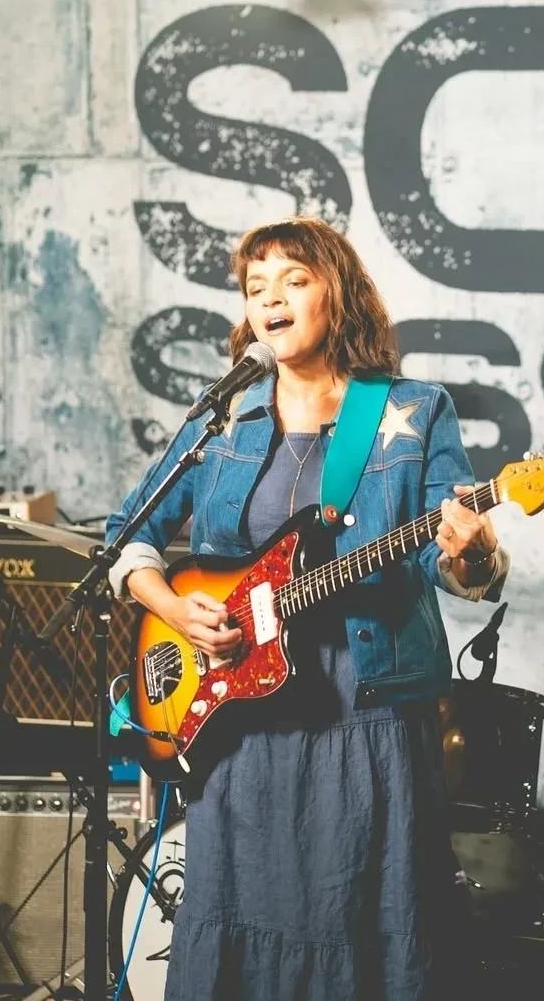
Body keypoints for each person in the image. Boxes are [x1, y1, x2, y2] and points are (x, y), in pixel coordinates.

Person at [105, 216, 509, 1000]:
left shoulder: (412, 411)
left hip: (365, 711)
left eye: (294, 280)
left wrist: (473, 550)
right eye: (255, 287)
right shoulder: (226, 416)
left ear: (338, 293)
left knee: (371, 913)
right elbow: (129, 535)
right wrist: (174, 609)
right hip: (239, 718)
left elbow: (451, 559)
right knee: (239, 909)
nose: (271, 299)